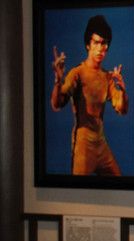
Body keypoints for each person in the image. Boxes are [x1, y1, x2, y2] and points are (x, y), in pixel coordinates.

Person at [50, 14, 128, 175]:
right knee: (78, 187)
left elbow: (122, 109)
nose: (100, 48)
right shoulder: (77, 73)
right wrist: (58, 81)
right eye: (96, 43)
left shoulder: (107, 77)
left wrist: (123, 90)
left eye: (104, 43)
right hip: (84, 144)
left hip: (101, 142)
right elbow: (57, 104)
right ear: (88, 45)